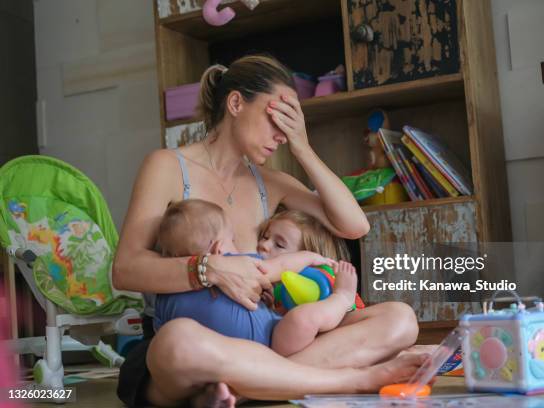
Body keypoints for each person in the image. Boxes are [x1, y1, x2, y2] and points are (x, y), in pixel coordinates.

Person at [113, 54, 421, 407]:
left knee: (399, 319)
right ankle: (352, 379)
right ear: (235, 103)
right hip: (195, 347)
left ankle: (242, 390)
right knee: (177, 342)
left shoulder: (270, 183)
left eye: (290, 125)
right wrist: (207, 268)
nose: (281, 136)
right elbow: (125, 269)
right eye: (276, 119)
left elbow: (355, 226)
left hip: (265, 338)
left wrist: (302, 146)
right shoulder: (167, 167)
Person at [153, 199, 365, 357]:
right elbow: (279, 266)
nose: (263, 245)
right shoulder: (239, 265)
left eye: (279, 244)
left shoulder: (165, 293)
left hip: (209, 359)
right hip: (264, 353)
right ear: (219, 249)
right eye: (263, 237)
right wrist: (310, 257)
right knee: (303, 320)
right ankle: (342, 298)